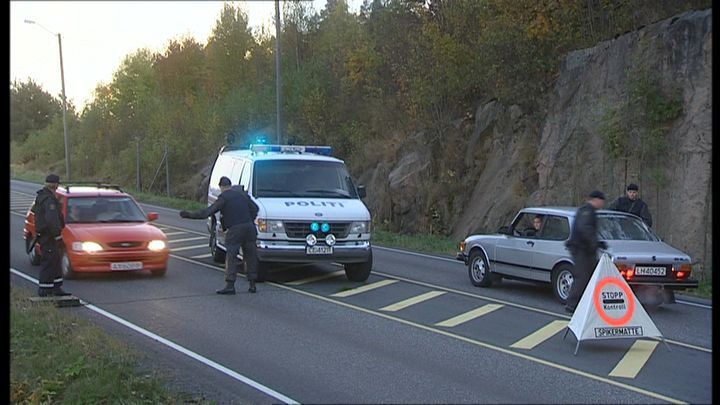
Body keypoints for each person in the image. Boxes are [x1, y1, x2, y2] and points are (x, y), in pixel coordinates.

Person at [179, 176, 260, 294]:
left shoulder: (223, 198)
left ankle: (230, 285)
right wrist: (248, 220)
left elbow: (207, 212)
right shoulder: (242, 195)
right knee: (250, 255)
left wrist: (188, 214)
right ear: (230, 185)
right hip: (249, 228)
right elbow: (255, 208)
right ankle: (252, 284)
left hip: (235, 230)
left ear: (221, 187)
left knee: (231, 256)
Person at [564, 190, 607, 313]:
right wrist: (594, 243)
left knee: (591, 277)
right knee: (582, 277)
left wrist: (597, 243)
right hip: (581, 250)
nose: (602, 204)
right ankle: (571, 304)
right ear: (596, 200)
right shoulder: (587, 211)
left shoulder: (588, 211)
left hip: (586, 250)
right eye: (601, 201)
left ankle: (586, 304)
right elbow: (585, 229)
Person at [33, 174, 71, 297]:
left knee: (55, 261)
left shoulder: (44, 197)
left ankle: (56, 288)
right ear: (54, 184)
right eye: (57, 184)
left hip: (47, 236)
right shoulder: (49, 200)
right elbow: (52, 220)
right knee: (49, 261)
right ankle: (45, 290)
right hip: (49, 236)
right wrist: (57, 236)